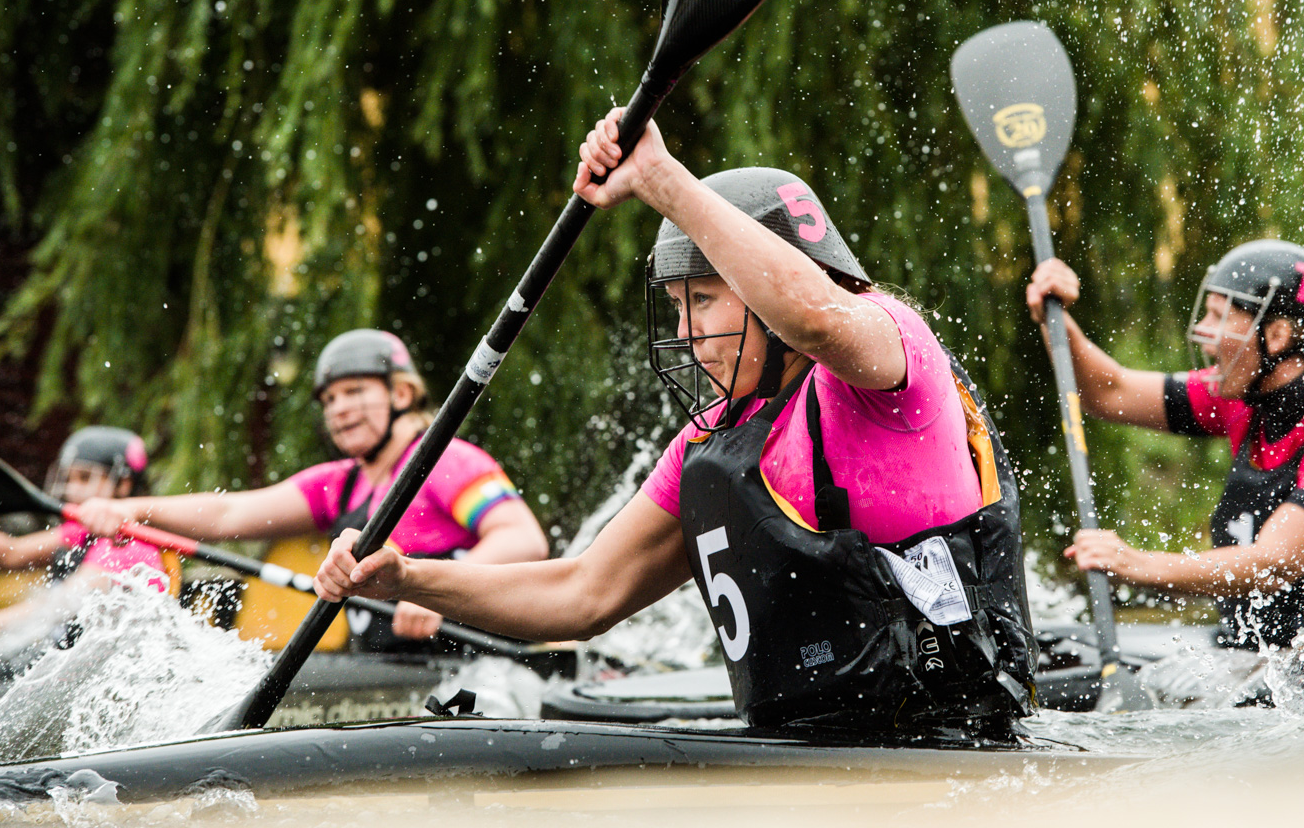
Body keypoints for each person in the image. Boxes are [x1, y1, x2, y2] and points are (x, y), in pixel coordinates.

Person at [314, 111, 1037, 736]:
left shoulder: (891, 356)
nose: (688, 334)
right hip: (802, 752)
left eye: (705, 299)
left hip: (950, 746)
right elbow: (581, 595)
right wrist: (408, 579)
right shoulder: (708, 442)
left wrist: (660, 179)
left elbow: (814, 319)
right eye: (679, 306)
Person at [1026, 240, 1304, 657]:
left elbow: (1275, 565)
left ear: (1277, 335)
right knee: (1053, 651)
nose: (1203, 332)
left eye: (1218, 317)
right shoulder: (1242, 399)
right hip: (1254, 652)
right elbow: (1110, 394)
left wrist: (1135, 563)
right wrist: (1054, 317)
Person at [77, 330, 549, 650]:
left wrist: (430, 589)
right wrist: (130, 510)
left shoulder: (446, 461)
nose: (338, 409)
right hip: (387, 673)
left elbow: (524, 539)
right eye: (329, 399)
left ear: (401, 395)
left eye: (355, 391)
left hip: (477, 668)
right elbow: (229, 515)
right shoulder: (338, 484)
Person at [0, 427, 175, 642]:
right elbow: (12, 553)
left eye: (84, 478)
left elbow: (62, 603)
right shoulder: (83, 531)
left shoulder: (130, 545)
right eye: (69, 478)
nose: (71, 490)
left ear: (124, 484)